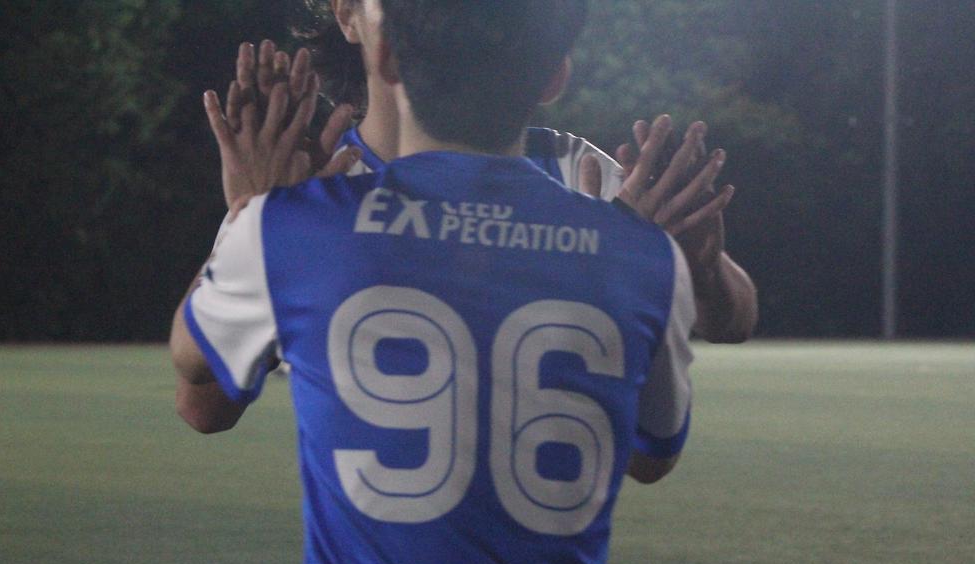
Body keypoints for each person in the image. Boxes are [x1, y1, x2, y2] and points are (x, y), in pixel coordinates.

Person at [173, 1, 709, 564]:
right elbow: (652, 454)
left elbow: (191, 368)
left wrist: (249, 211)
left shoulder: (294, 227)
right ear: (555, 75)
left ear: (387, 58)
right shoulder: (641, 254)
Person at [220, 0, 757, 344]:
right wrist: (254, 221)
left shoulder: (577, 171)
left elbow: (732, 321)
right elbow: (203, 405)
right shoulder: (309, 184)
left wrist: (701, 270)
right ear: (346, 14)